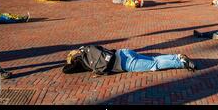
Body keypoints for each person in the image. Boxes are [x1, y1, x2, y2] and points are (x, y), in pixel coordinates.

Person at [62, 46, 196, 75]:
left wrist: (71, 60)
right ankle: (177, 56)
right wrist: (77, 51)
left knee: (154, 64)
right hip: (123, 52)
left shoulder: (80, 63)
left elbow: (66, 70)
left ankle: (181, 63)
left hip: (125, 64)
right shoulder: (86, 49)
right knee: (153, 59)